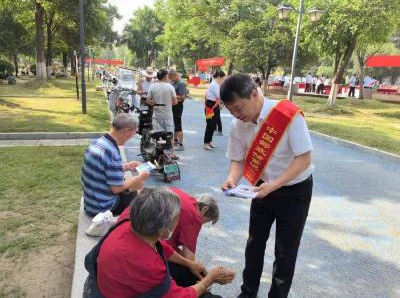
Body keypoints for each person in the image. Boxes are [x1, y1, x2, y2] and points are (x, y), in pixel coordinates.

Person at [220, 74, 314, 298]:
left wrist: (275, 185)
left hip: (294, 189)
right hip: (261, 189)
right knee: (254, 244)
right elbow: (238, 160)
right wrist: (233, 179)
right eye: (231, 110)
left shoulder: (287, 115)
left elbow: (304, 158)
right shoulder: (238, 124)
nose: (237, 115)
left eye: (239, 108)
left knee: (285, 250)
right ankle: (248, 292)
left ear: (254, 94)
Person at [97, 187, 235, 297]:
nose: (179, 220)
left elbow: (163, 246)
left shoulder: (130, 225)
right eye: (177, 217)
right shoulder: (150, 265)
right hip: (125, 289)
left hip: (114, 284)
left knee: (186, 271)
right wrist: (210, 279)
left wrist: (190, 263)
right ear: (163, 226)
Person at [81, 114, 149, 216]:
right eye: (133, 134)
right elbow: (116, 188)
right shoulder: (112, 152)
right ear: (127, 131)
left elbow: (103, 168)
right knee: (140, 187)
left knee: (133, 185)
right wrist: (139, 177)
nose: (131, 138)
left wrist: (126, 167)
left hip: (91, 202)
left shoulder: (98, 143)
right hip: (104, 208)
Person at [147, 69, 179, 159]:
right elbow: (175, 102)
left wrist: (154, 103)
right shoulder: (170, 87)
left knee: (157, 134)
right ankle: (171, 154)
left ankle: (158, 154)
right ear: (165, 77)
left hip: (156, 114)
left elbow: (148, 101)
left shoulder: (153, 86)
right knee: (169, 134)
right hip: (168, 114)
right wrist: (168, 104)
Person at [203, 70, 226, 150]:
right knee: (210, 125)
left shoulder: (216, 84)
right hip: (210, 106)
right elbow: (220, 96)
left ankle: (209, 142)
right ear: (219, 77)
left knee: (213, 125)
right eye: (223, 78)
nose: (223, 80)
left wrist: (221, 104)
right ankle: (206, 143)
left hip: (214, 105)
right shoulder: (214, 85)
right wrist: (222, 103)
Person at [169, 69, 187, 151]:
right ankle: (175, 140)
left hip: (178, 106)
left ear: (174, 76)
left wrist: (173, 96)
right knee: (175, 124)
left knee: (178, 125)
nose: (170, 79)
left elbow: (183, 96)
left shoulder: (181, 83)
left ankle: (181, 144)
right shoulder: (174, 83)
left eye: (170, 77)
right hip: (174, 105)